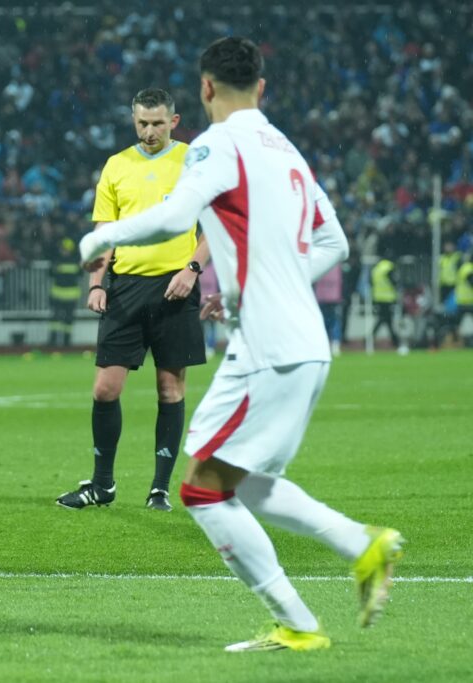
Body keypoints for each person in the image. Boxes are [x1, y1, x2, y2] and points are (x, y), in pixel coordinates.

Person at [79, 37, 402, 652]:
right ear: (262, 86)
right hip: (301, 341)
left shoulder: (216, 144)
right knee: (240, 481)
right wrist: (263, 284)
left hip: (267, 348)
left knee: (203, 489)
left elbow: (175, 218)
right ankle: (360, 549)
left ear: (204, 90)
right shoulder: (286, 150)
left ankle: (300, 622)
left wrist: (100, 241)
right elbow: (333, 243)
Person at [56, 88, 210, 513]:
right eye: (142, 123)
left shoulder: (195, 161)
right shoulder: (117, 165)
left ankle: (159, 489)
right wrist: (97, 283)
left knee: (169, 388)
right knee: (106, 388)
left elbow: (214, 226)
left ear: (173, 122)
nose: (149, 131)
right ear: (133, 119)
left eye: (158, 123)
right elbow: (105, 231)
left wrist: (191, 270)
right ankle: (102, 485)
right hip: (124, 287)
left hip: (176, 286)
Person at [370, 250, 407, 354]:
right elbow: (393, 281)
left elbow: (371, 282)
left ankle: (372, 338)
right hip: (388, 298)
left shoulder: (377, 268)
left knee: (384, 319)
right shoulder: (389, 267)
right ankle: (396, 342)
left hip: (378, 297)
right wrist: (398, 287)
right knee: (386, 320)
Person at [48, 238, 81, 348]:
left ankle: (63, 342)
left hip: (65, 294)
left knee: (65, 319)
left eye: (65, 249)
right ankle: (56, 341)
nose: (63, 251)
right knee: (58, 319)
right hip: (63, 294)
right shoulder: (76, 260)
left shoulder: (57, 261)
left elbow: (51, 274)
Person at [315, 264, 343, 356]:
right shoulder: (336, 265)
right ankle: (334, 344)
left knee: (324, 322)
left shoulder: (321, 264)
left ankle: (326, 344)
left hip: (322, 297)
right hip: (333, 298)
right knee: (333, 321)